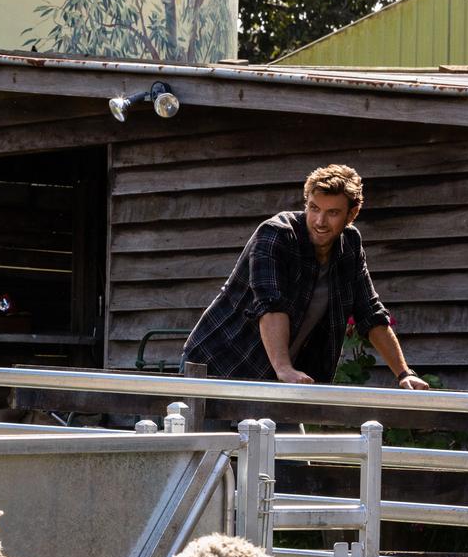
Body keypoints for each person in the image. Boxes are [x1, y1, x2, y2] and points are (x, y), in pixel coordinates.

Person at [182, 164, 429, 390]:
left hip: (280, 379)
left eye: (332, 213)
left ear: (351, 214)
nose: (320, 221)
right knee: (215, 441)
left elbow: (370, 313)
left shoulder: (350, 246)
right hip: (218, 368)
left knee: (288, 440)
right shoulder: (275, 235)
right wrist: (284, 368)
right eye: (314, 208)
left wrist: (404, 374)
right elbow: (270, 303)